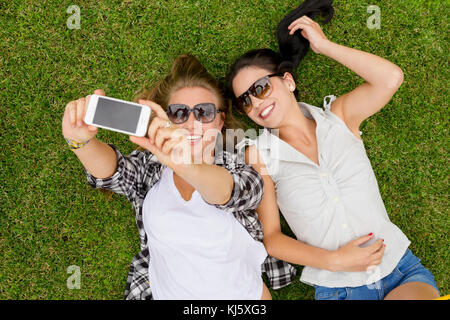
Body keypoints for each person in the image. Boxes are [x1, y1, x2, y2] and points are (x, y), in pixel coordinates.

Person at [227, 0, 440, 300]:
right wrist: (336, 260)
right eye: (244, 101)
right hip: (339, 289)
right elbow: (272, 239)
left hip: (399, 271)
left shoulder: (339, 117)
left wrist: (325, 46)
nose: (256, 103)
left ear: (287, 81)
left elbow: (391, 79)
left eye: (261, 88)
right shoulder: (260, 154)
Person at [61, 54, 297, 299]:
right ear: (166, 119)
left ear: (220, 121)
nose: (191, 122)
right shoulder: (151, 168)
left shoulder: (240, 164)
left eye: (204, 112)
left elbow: (234, 192)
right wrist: (80, 141)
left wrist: (187, 165)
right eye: (179, 113)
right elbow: (114, 173)